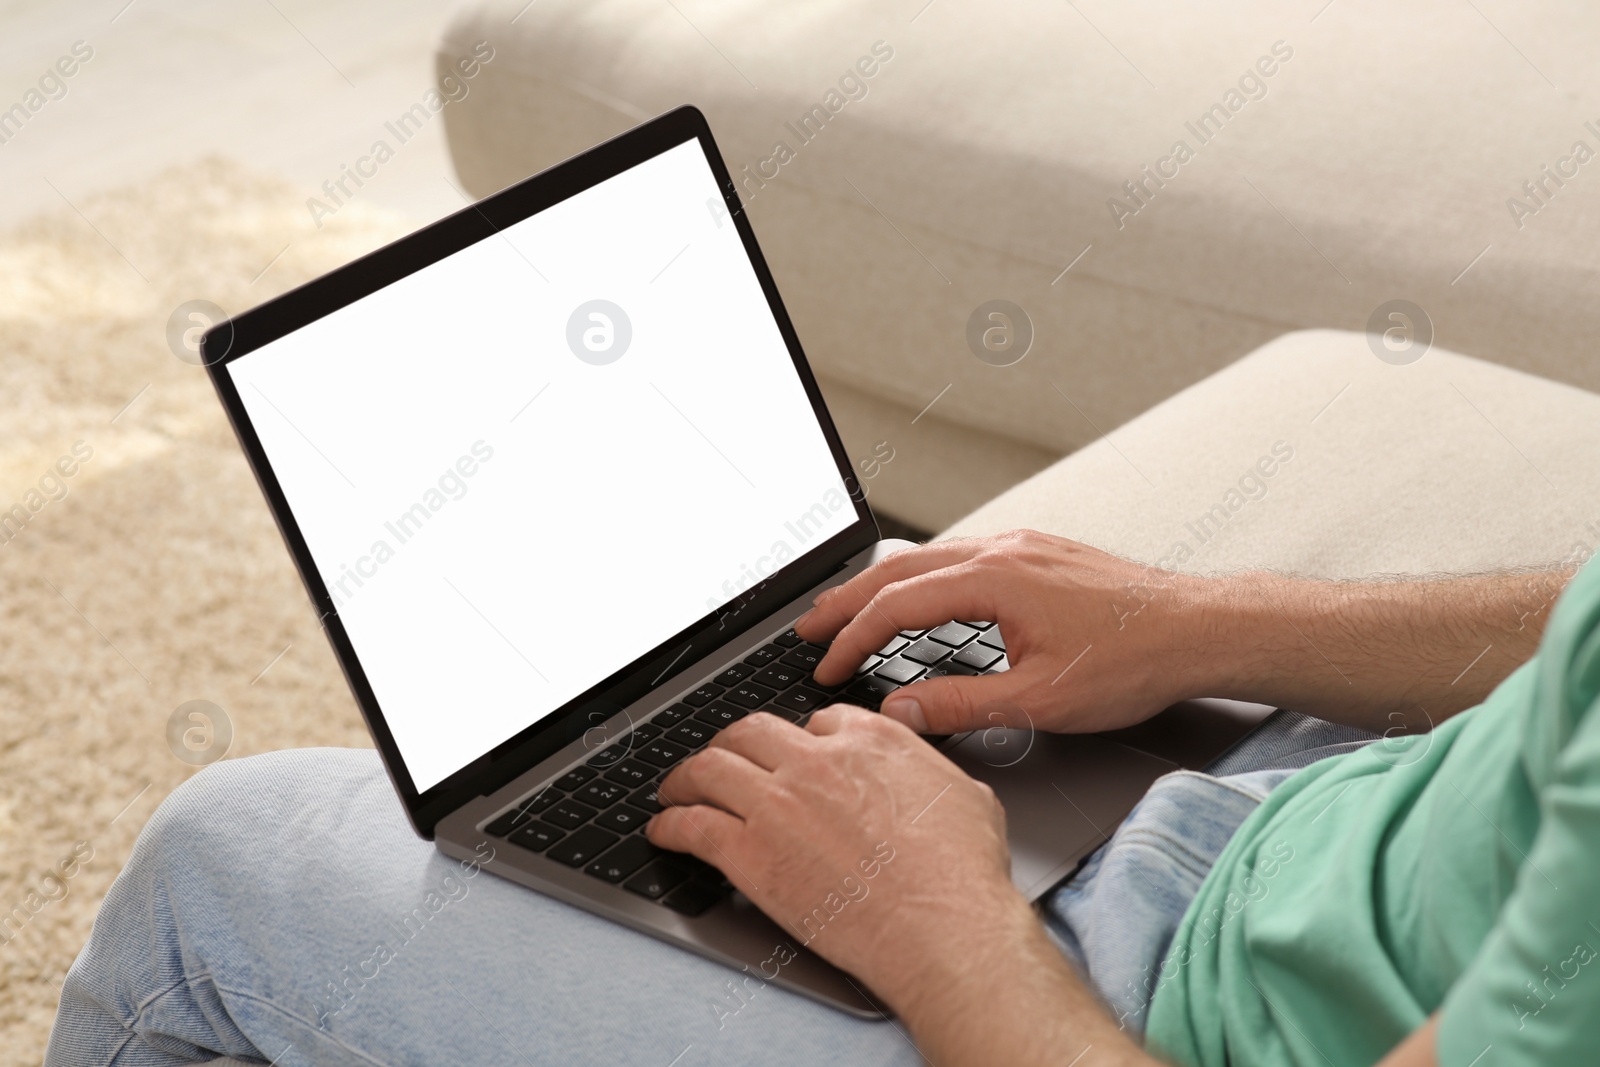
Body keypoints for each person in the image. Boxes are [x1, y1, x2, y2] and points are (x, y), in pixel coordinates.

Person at [47, 531, 1599, 1066]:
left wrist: (942, 931)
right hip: (1333, 797)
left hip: (1134, 1006)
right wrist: (1208, 619)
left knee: (221, 861)